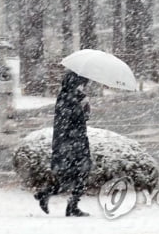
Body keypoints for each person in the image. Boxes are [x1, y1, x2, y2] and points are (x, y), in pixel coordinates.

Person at [34, 70, 92, 217]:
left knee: (80, 174)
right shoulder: (67, 98)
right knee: (72, 175)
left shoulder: (74, 97)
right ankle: (50, 196)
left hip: (75, 141)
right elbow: (68, 122)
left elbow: (81, 119)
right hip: (69, 143)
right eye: (81, 84)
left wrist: (85, 107)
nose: (83, 87)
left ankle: (67, 203)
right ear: (74, 83)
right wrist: (81, 107)